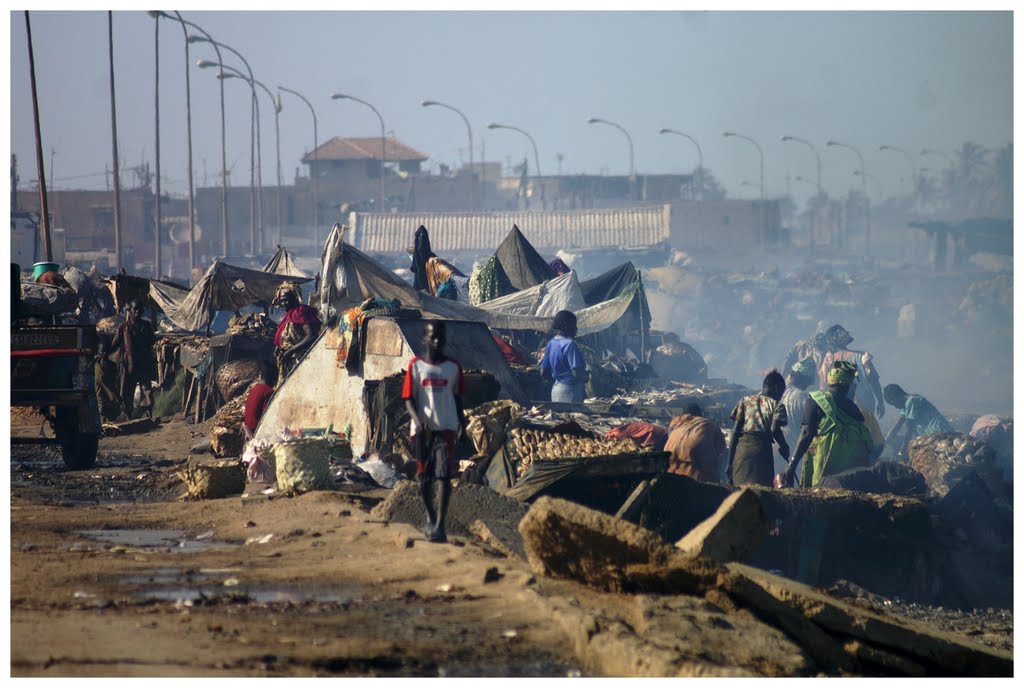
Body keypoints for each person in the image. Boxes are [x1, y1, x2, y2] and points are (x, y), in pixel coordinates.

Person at [402, 321, 467, 544]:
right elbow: (408, 399)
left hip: (446, 428)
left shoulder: (453, 368)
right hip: (423, 430)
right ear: (425, 339)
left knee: (444, 477)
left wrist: (463, 425)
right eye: (433, 337)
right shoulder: (415, 366)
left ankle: (440, 525)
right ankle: (430, 517)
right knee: (424, 479)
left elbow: (458, 399)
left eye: (440, 337)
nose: (437, 341)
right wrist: (416, 418)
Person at [782, 360, 873, 488]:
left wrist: (792, 465)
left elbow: (806, 433)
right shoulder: (854, 410)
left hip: (824, 467)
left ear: (830, 379)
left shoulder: (815, 401)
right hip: (850, 472)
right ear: (848, 385)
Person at [727, 370, 790, 487]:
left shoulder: (745, 401)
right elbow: (775, 430)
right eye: (782, 392)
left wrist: (730, 463)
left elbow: (735, 433)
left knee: (739, 493)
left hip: (742, 453)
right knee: (761, 494)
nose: (781, 396)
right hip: (762, 453)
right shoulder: (777, 405)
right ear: (777, 388)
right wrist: (784, 446)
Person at [815, 324, 885, 420]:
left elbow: (823, 386)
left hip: (838, 405)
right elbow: (874, 381)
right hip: (864, 403)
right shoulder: (862, 357)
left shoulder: (828, 361)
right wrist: (880, 402)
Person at [109, 299, 157, 420]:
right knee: (127, 390)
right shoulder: (123, 327)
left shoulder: (146, 326)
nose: (137, 312)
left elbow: (153, 342)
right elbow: (114, 343)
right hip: (128, 364)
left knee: (146, 389)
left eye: (139, 310)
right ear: (129, 311)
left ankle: (148, 412)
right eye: (135, 310)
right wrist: (105, 354)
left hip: (143, 362)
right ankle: (128, 413)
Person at [882, 383, 954, 458]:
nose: (895, 407)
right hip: (931, 435)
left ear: (895, 398)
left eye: (893, 404)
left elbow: (909, 428)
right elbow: (897, 426)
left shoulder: (912, 401)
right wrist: (885, 442)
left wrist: (903, 450)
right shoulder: (905, 406)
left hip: (940, 431)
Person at [665, 403, 726, 483]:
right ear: (700, 414)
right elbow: (721, 448)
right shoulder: (708, 424)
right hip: (696, 458)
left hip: (670, 452)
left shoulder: (676, 421)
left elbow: (670, 436)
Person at [272, 281, 322, 380]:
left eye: (286, 300)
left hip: (300, 360)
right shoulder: (287, 317)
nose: (283, 304)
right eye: (281, 301)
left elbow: (311, 335)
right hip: (288, 361)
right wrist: (278, 349)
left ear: (294, 298)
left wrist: (291, 350)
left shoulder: (300, 312)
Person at [540, 310, 588, 404]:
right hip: (571, 392)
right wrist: (586, 376)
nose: (576, 328)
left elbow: (543, 372)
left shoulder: (551, 343)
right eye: (574, 325)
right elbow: (577, 374)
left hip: (556, 391)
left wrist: (559, 379)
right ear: (566, 326)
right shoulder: (570, 345)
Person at [780, 357, 816, 455]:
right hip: (794, 450)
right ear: (801, 377)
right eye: (808, 380)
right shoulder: (803, 397)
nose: (809, 384)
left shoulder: (777, 393)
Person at [243, 361, 278, 440]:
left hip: (248, 429)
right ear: (274, 380)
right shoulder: (268, 391)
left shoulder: (255, 388)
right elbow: (267, 416)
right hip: (257, 432)